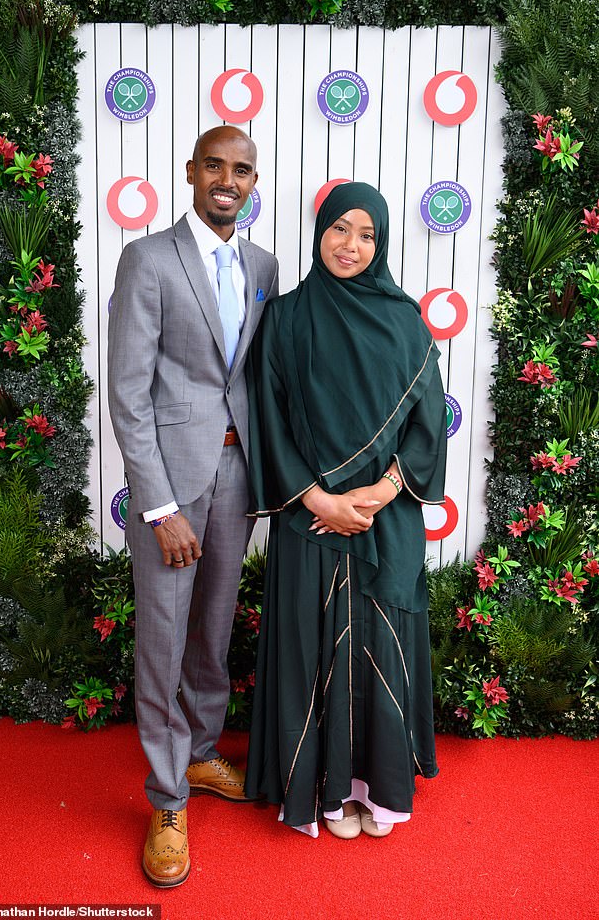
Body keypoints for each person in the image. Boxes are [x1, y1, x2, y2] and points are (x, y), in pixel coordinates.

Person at [245, 182, 446, 839]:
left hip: (386, 518)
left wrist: (383, 493)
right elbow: (268, 418)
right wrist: (320, 498)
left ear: (382, 241)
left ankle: (376, 791)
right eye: (339, 229)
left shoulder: (405, 319)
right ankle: (324, 794)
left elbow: (428, 424)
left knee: (380, 653)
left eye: (366, 233)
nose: (350, 245)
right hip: (310, 519)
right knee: (314, 645)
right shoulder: (286, 317)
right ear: (319, 232)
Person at [108, 126, 279, 886]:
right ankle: (167, 796)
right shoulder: (147, 258)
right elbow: (128, 394)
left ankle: (203, 752)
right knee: (164, 640)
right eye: (215, 164)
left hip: (238, 477)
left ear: (251, 182)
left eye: (241, 169)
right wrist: (157, 506)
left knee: (213, 626)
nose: (227, 179)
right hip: (171, 489)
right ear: (191, 171)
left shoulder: (263, 266)